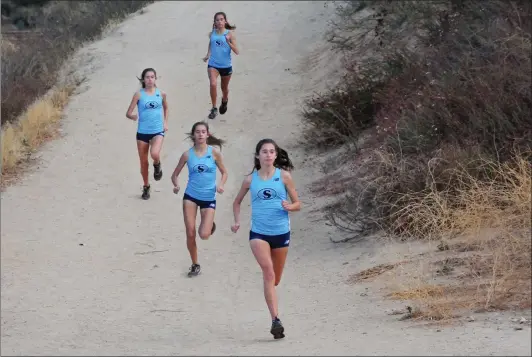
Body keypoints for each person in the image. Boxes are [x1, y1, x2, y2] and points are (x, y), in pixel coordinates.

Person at [231, 138, 301, 340]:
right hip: (259, 233)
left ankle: (272, 301)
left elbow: (298, 203)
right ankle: (275, 320)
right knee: (268, 272)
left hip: (281, 233)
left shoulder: (284, 176)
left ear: (276, 156)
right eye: (264, 151)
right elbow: (236, 203)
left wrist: (291, 206)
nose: (268, 155)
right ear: (257, 155)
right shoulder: (250, 180)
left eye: (272, 152)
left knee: (275, 279)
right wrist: (237, 221)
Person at [171, 121, 228, 277]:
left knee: (204, 234)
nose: (200, 134)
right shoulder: (187, 155)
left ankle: (209, 226)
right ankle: (195, 264)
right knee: (190, 232)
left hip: (208, 197)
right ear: (193, 135)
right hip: (190, 196)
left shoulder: (214, 153)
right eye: (197, 132)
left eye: (203, 132)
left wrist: (221, 185)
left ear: (207, 134)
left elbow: (224, 172)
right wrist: (176, 185)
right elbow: (174, 174)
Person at [125, 67, 169, 200]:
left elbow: (166, 108)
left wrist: (165, 123)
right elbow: (128, 112)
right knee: (143, 162)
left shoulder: (161, 94)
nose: (150, 79)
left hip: (157, 131)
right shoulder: (138, 94)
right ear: (143, 79)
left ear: (156, 79)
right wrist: (132, 116)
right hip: (143, 132)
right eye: (147, 77)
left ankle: (157, 164)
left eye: (152, 77)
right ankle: (146, 186)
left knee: (154, 153)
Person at [202, 11, 239, 120]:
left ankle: (224, 101)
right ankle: (214, 108)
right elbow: (211, 43)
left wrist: (228, 42)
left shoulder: (229, 34)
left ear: (225, 21)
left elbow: (237, 51)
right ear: (214, 22)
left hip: (226, 66)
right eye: (217, 20)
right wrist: (208, 54)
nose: (219, 21)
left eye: (221, 19)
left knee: (224, 88)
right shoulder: (212, 33)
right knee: (213, 84)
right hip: (213, 64)